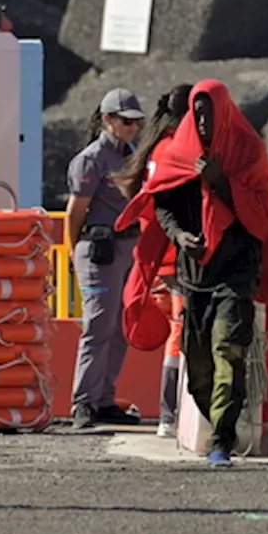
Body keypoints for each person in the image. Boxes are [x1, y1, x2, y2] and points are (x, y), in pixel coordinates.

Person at [115, 80, 268, 467]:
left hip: (236, 273)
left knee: (228, 350)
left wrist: (221, 185)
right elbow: (162, 202)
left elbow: (264, 217)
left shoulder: (248, 150)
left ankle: (221, 442)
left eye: (208, 113)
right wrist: (180, 235)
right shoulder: (180, 151)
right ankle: (214, 419)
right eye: (196, 114)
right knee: (197, 364)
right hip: (193, 274)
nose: (201, 121)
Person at [114, 84, 192, 438]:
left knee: (174, 340)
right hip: (175, 260)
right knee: (179, 338)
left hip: (156, 261)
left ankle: (170, 416)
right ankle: (170, 415)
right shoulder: (179, 150)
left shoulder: (154, 149)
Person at [65, 87, 145, 429]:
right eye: (126, 122)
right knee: (98, 325)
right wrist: (72, 254)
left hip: (127, 247)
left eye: (136, 122)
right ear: (108, 119)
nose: (133, 128)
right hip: (100, 249)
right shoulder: (91, 159)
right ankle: (83, 402)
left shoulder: (132, 154)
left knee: (119, 328)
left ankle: (103, 399)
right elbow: (75, 212)